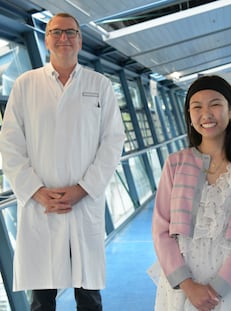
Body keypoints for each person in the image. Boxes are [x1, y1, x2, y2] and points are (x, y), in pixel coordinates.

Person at [0, 13, 125, 311]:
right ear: (46, 39)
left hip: (83, 203)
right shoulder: (25, 85)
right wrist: (36, 191)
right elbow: (10, 143)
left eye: (70, 32)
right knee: (42, 300)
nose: (64, 38)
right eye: (56, 32)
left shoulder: (100, 84)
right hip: (41, 205)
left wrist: (83, 188)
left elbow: (113, 141)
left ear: (80, 40)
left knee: (90, 296)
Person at [149, 75, 231, 311]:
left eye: (215, 104)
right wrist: (188, 286)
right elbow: (161, 229)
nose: (206, 114)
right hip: (182, 286)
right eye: (197, 107)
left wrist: (217, 288)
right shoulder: (175, 164)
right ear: (189, 115)